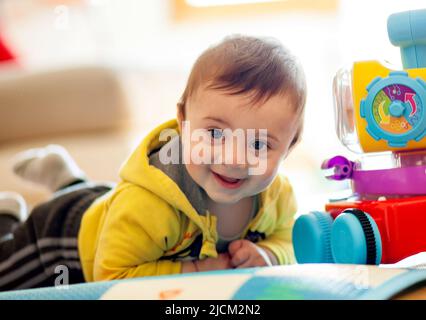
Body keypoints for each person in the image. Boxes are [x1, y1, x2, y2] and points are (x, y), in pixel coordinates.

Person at [0, 34, 306, 291]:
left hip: (114, 215)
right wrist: (200, 270)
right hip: (62, 238)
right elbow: (112, 276)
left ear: (289, 147)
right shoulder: (149, 205)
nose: (234, 159)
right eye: (214, 133)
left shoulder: (277, 197)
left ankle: (66, 178)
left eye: (258, 144)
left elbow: (289, 239)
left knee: (107, 204)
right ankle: (9, 216)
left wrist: (269, 254)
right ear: (183, 121)